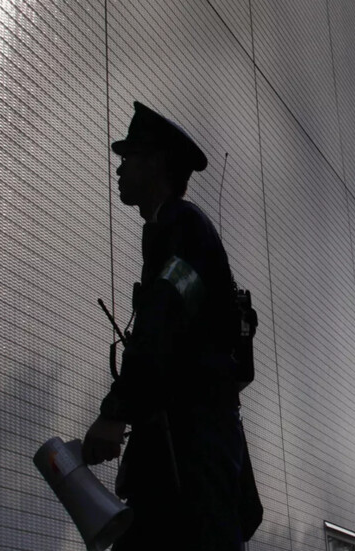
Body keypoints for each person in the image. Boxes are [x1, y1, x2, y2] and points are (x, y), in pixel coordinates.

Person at [82, 101, 256, 549]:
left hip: (191, 450)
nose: (119, 168)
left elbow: (164, 317)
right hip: (179, 445)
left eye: (129, 157)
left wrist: (115, 412)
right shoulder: (170, 230)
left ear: (156, 163)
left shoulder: (184, 229)